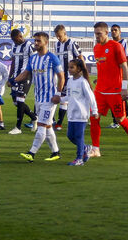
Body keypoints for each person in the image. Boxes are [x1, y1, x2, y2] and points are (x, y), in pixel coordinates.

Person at [88, 22, 128, 157]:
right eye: (95, 34)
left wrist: (124, 88)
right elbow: (103, 67)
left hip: (115, 91)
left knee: (120, 119)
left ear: (106, 33)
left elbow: (124, 67)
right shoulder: (96, 48)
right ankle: (95, 149)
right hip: (100, 90)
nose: (97, 36)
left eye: (99, 33)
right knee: (94, 116)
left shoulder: (116, 46)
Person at [17, 32, 66, 162]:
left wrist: (58, 94)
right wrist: (13, 80)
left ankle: (31, 153)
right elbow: (26, 73)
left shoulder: (52, 58)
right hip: (38, 98)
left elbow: (62, 76)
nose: (36, 43)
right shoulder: (33, 58)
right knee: (48, 126)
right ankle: (56, 152)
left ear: (46, 42)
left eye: (38, 41)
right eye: (35, 41)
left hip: (50, 98)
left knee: (42, 125)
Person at [52, 59, 98, 166]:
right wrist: (60, 99)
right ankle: (85, 148)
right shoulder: (70, 81)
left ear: (79, 69)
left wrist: (94, 110)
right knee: (70, 136)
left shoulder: (83, 82)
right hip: (72, 113)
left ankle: (79, 158)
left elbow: (91, 97)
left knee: (78, 136)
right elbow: (70, 96)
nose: (69, 69)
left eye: (72, 67)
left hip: (81, 114)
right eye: (68, 67)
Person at [52, 24, 84, 131]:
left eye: (60, 36)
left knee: (65, 99)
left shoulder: (71, 43)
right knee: (59, 97)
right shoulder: (57, 45)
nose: (58, 38)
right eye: (57, 36)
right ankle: (55, 121)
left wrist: (83, 73)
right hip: (60, 76)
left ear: (65, 33)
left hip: (70, 77)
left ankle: (59, 124)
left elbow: (80, 58)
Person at [7, 28, 36, 134]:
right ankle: (34, 117)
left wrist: (31, 74)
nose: (15, 42)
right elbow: (13, 61)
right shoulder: (14, 46)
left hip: (25, 76)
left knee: (20, 100)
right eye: (13, 40)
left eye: (16, 39)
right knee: (16, 102)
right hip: (15, 76)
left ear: (20, 36)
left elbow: (34, 60)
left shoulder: (29, 46)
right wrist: (10, 77)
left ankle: (18, 127)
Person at [109, 24, 128, 127]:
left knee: (117, 96)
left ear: (120, 31)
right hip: (112, 74)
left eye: (115, 30)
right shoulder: (110, 44)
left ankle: (117, 120)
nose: (113, 32)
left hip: (120, 74)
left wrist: (126, 70)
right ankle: (126, 114)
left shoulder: (124, 43)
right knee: (112, 95)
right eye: (112, 30)